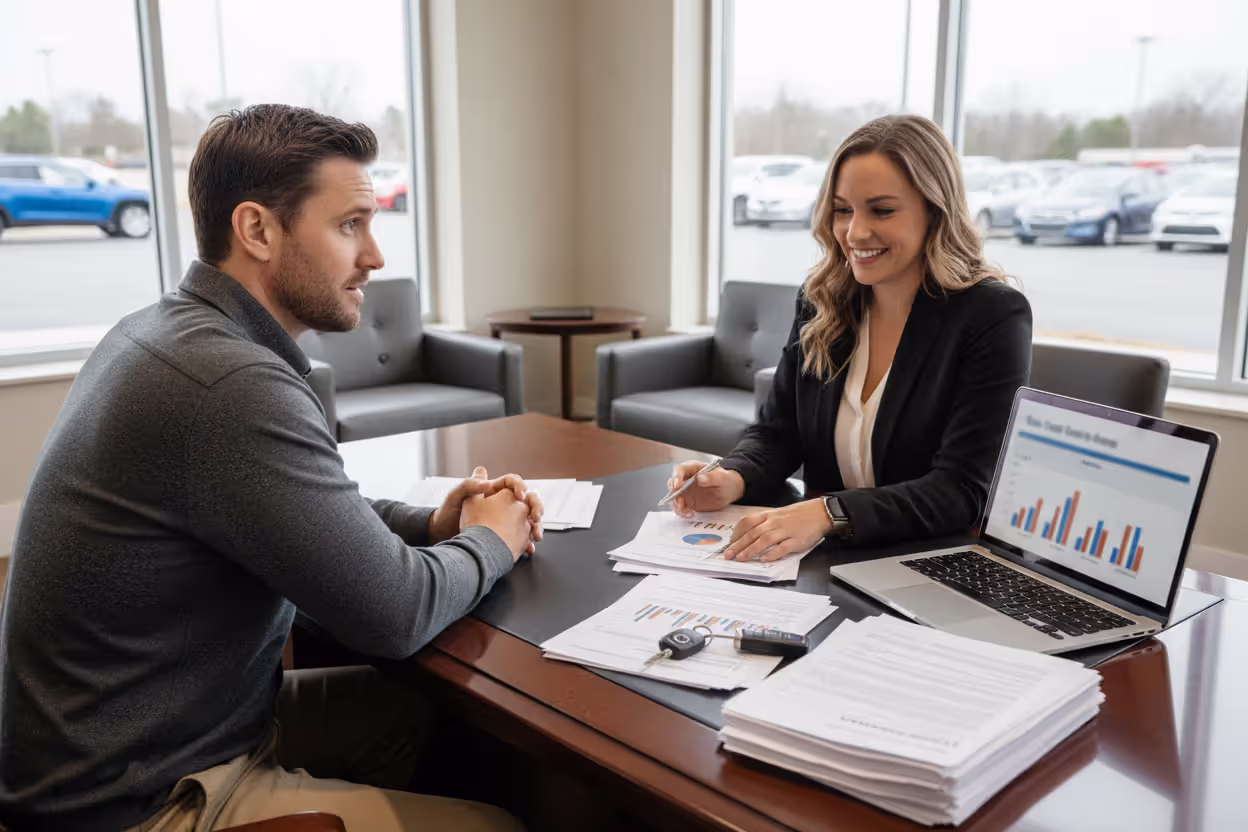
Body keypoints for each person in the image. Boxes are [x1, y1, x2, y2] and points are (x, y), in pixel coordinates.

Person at [0, 105, 536, 832]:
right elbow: (395, 615)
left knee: (430, 714)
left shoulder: (168, 334)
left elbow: (303, 511)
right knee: (497, 825)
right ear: (256, 230)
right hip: (135, 797)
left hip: (168, 730)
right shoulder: (228, 385)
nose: (374, 256)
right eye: (350, 225)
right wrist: (494, 540)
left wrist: (433, 521)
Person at [669, 114, 1031, 560]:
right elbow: (778, 433)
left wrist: (827, 513)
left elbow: (958, 490)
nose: (855, 232)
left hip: (929, 564)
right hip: (824, 559)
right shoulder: (823, 298)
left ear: (934, 211)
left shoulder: (991, 315)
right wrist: (731, 476)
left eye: (881, 210)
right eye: (843, 210)